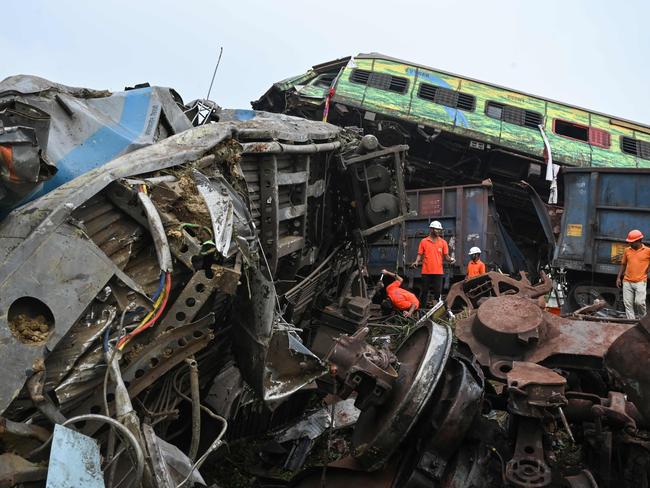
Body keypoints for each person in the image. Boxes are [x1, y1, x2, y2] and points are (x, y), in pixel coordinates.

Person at [411, 220, 454, 306]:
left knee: (437, 293)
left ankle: (436, 312)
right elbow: (419, 254)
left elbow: (446, 257)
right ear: (431, 229)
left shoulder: (443, 242)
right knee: (424, 292)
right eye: (437, 229)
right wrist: (416, 261)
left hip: (438, 272)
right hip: (426, 272)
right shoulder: (424, 241)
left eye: (439, 230)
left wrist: (451, 260)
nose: (438, 231)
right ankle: (422, 310)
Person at [616, 229, 650, 320]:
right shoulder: (627, 250)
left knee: (639, 302)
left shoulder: (648, 251)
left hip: (640, 281)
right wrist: (619, 278)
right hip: (627, 281)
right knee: (628, 304)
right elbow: (623, 264)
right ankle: (631, 322)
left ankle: (644, 321)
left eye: (631, 242)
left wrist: (647, 272)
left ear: (639, 241)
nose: (629, 244)